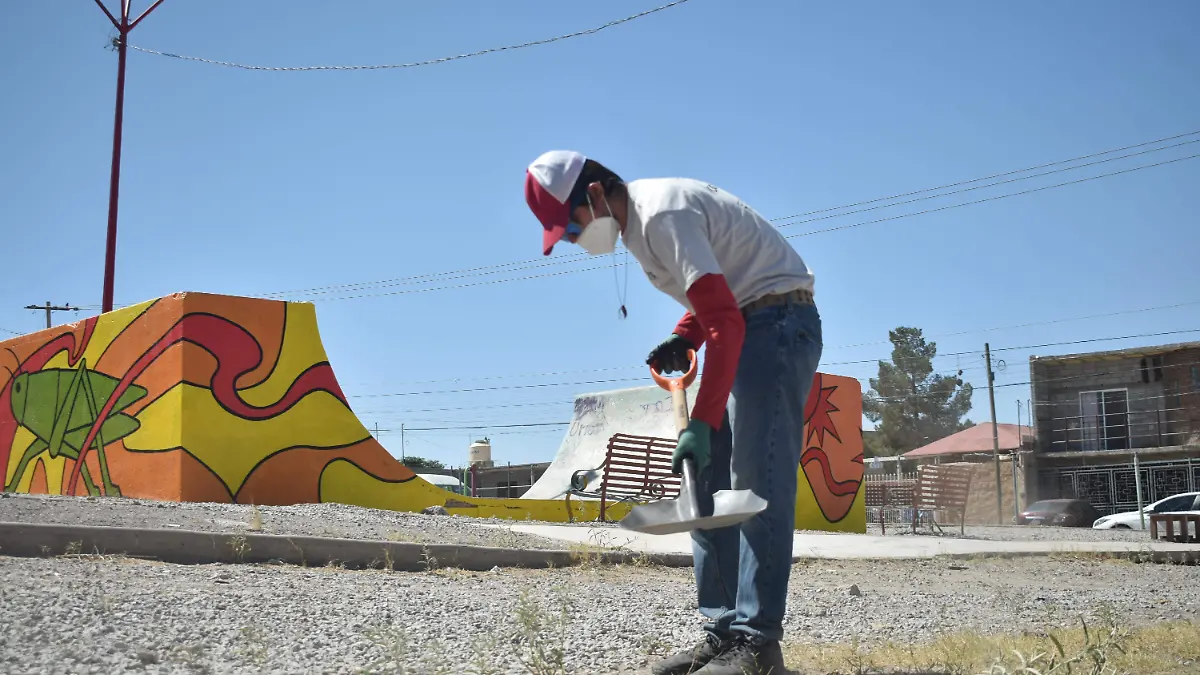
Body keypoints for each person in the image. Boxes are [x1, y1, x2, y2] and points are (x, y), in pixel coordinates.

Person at [524, 150, 823, 675]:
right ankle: (723, 630)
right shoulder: (640, 230)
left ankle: (757, 646)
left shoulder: (661, 214)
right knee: (704, 484)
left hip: (778, 322)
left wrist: (704, 422)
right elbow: (714, 295)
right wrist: (685, 335)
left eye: (569, 228)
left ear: (594, 195)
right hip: (753, 320)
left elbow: (726, 320)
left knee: (756, 482)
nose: (571, 241)